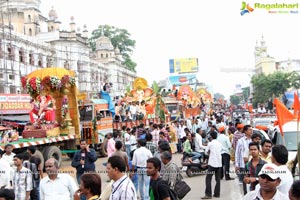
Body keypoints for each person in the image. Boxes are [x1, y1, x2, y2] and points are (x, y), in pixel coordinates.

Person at [201, 131, 222, 199]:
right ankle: (217, 193)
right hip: (219, 163)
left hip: (212, 163)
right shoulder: (219, 143)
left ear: (211, 137)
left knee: (208, 179)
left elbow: (206, 152)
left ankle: (208, 194)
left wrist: (210, 152)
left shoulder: (210, 143)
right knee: (218, 179)